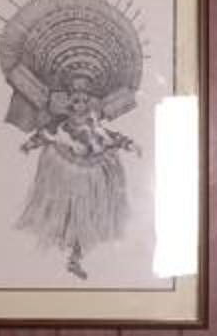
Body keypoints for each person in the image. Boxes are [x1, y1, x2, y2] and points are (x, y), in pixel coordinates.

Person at [16, 65, 137, 279]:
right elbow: (46, 134)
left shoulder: (93, 122)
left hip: (90, 170)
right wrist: (29, 144)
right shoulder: (62, 124)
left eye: (84, 100)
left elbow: (108, 135)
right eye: (76, 100)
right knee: (69, 210)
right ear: (69, 102)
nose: (80, 104)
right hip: (66, 169)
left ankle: (75, 256)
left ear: (89, 102)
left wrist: (127, 143)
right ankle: (73, 255)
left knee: (85, 211)